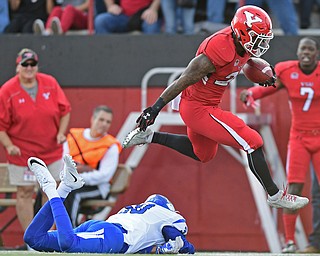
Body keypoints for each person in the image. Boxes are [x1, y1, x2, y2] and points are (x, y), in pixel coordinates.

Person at [122, 5, 309, 213]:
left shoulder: (242, 44)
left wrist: (263, 74)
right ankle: (275, 195)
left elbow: (245, 62)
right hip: (198, 108)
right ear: (242, 33)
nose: (262, 44)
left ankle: (149, 137)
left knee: (203, 154)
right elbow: (182, 80)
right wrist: (154, 109)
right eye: (258, 38)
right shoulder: (217, 49)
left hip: (207, 104)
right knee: (252, 141)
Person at [239, 37, 320, 253]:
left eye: (311, 49)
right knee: (293, 186)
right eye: (303, 48)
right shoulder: (286, 70)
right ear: (298, 50)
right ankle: (290, 241)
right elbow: (269, 87)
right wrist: (251, 93)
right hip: (299, 137)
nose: (306, 52)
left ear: (317, 53)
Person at [24, 154, 195, 254]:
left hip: (101, 227)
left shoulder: (139, 215)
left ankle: (65, 187)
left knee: (34, 239)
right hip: (114, 236)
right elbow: (177, 238)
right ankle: (50, 188)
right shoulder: (166, 216)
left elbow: (144, 246)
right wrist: (183, 247)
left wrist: (161, 249)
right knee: (68, 243)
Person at [0, 48, 71, 233]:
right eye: (25, 64)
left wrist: (61, 133)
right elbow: (1, 126)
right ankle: (31, 237)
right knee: (24, 192)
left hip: (51, 151)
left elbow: (65, 110)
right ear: (18, 67)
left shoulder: (50, 83)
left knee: (52, 193)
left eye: (33, 64)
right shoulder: (7, 90)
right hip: (22, 154)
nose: (29, 68)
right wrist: (9, 145)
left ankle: (48, 236)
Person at [63, 105, 122, 227]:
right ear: (92, 119)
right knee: (43, 193)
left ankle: (70, 234)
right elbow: (62, 162)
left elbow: (104, 176)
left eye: (108, 122)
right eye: (101, 120)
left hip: (97, 187)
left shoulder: (111, 145)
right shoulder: (74, 137)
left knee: (72, 192)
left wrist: (77, 179)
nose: (104, 124)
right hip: (69, 180)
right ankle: (36, 237)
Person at [94, 0, 162, 34]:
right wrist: (110, 6)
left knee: (152, 25)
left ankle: (151, 59)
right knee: (100, 21)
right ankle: (106, 56)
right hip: (122, 15)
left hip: (145, 15)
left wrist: (153, 8)